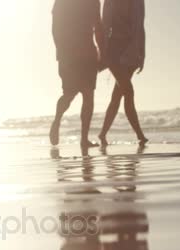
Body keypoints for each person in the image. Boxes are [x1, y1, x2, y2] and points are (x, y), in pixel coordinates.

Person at [50, 0, 104, 148]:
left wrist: (102, 52)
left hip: (87, 53)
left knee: (88, 95)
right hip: (70, 55)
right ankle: (57, 120)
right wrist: (62, 52)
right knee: (70, 94)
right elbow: (55, 28)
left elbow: (98, 26)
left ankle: (84, 139)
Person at [97, 0, 148, 146]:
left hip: (131, 53)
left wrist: (142, 54)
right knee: (128, 91)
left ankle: (102, 134)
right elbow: (104, 26)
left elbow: (140, 27)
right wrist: (103, 55)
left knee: (117, 96)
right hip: (113, 53)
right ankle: (140, 135)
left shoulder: (139, 2)